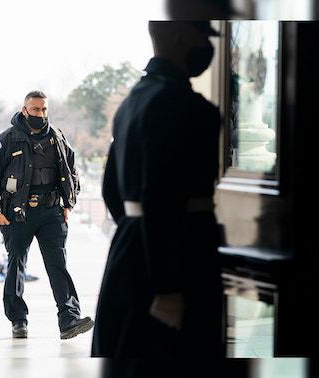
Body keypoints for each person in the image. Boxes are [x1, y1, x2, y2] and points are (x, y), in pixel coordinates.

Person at [91, 21, 224, 357]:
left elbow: (112, 191)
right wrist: (168, 286)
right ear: (180, 36)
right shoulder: (180, 104)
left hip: (132, 249)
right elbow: (162, 196)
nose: (207, 46)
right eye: (202, 35)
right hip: (180, 254)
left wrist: (137, 235)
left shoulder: (132, 102)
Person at [0, 91, 94, 339]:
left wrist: (69, 203)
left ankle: (69, 319)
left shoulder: (57, 137)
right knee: (16, 264)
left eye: (44, 110)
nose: (40, 114)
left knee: (58, 265)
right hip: (18, 213)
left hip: (52, 212)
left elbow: (71, 169)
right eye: (35, 110)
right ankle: (18, 320)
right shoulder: (8, 140)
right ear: (24, 110)